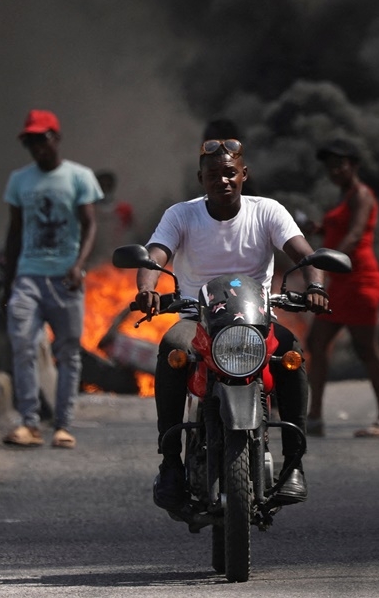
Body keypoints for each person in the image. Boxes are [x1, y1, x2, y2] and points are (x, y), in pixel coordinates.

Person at [137, 136, 327, 510]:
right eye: (213, 175)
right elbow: (154, 256)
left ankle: (294, 464)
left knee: (291, 354)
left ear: (244, 175)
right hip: (197, 321)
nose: (222, 181)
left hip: (257, 322)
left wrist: (316, 286)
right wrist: (147, 289)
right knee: (172, 349)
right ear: (201, 178)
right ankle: (170, 463)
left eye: (229, 173)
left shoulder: (267, 211)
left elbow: (304, 254)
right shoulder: (181, 215)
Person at [1, 110, 102, 449]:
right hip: (28, 276)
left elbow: (90, 224)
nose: (36, 147)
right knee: (23, 345)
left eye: (41, 139)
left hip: (66, 277)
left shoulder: (79, 177)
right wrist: (7, 283)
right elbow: (14, 232)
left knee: (68, 353)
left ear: (56, 138)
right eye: (29, 141)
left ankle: (63, 425)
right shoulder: (19, 180)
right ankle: (29, 423)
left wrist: (79, 264)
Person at [303, 138, 379, 438]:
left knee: (367, 349)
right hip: (341, 283)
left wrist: (328, 259)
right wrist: (319, 229)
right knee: (316, 342)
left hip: (360, 281)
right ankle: (314, 417)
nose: (334, 171)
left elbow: (355, 234)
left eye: (340, 165)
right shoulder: (344, 196)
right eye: (330, 166)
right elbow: (340, 228)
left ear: (354, 165)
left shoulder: (361, 195)